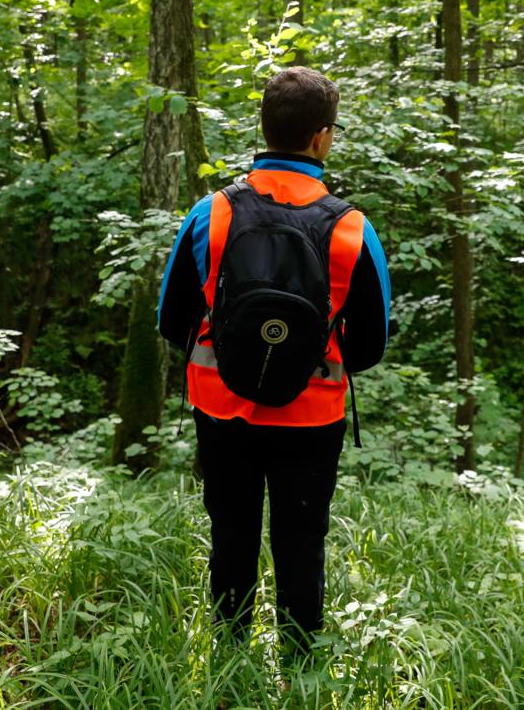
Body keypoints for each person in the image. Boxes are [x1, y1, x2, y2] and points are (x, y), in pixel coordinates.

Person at [156, 66, 391, 665]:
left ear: (264, 127)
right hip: (311, 420)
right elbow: (368, 346)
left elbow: (170, 321)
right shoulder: (351, 228)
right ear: (322, 137)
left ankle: (229, 657)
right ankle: (301, 666)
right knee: (301, 539)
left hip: (221, 407)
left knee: (231, 532)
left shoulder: (212, 212)